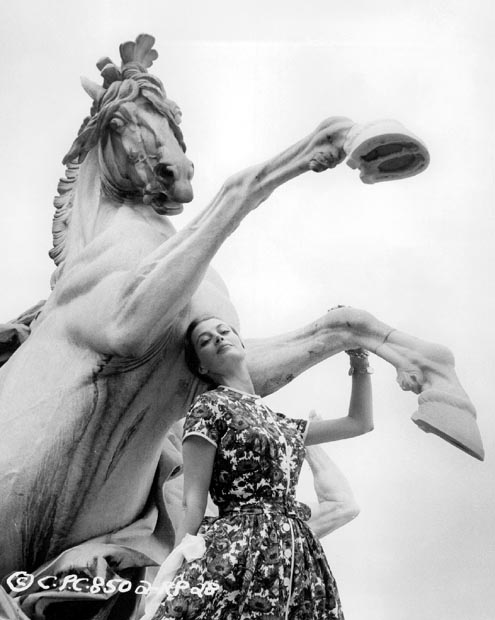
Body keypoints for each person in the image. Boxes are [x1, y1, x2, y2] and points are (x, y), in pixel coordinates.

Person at [149, 315, 373, 620]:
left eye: (223, 331)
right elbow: (193, 500)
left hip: (296, 552)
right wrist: (175, 564)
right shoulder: (209, 407)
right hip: (239, 543)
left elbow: (359, 422)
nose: (218, 338)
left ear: (241, 344)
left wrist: (359, 355)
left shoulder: (282, 424)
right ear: (201, 366)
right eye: (205, 340)